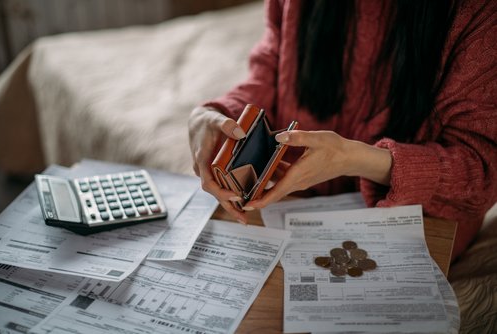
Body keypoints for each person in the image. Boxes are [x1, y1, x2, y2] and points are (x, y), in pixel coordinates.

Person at [188, 0, 496, 260]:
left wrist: (357, 159)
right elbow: (271, 63)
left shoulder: (480, 11)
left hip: (416, 223)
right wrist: (219, 114)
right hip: (290, 203)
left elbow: (482, 172)